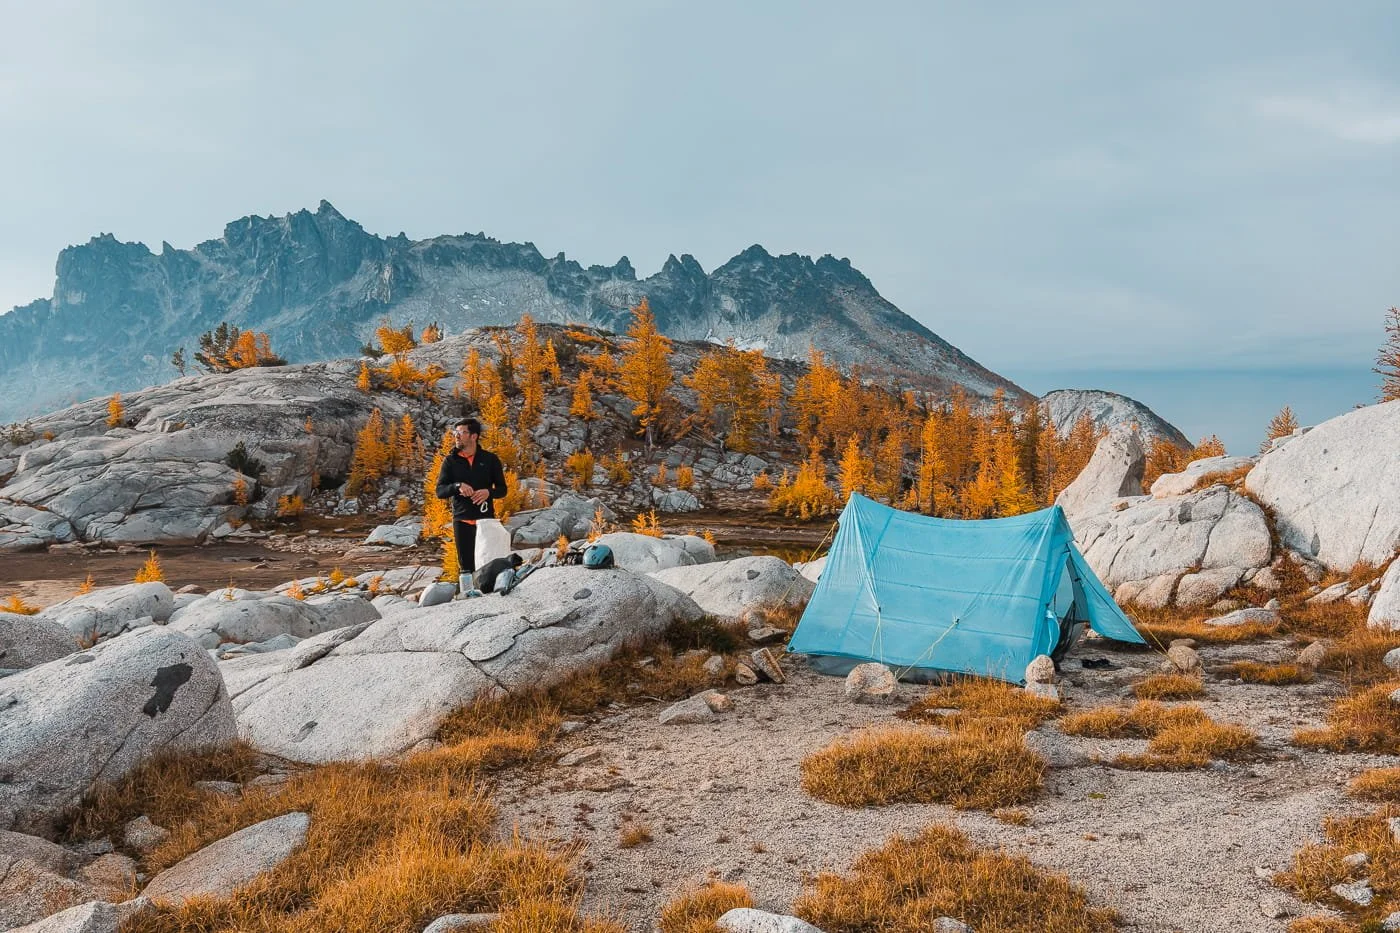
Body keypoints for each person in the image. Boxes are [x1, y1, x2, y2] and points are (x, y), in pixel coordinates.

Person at [434, 418, 508, 594]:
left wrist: (488, 492)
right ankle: (467, 599)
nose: (456, 436)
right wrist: (457, 486)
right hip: (462, 521)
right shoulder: (450, 461)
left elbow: (502, 489)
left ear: (474, 436)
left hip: (485, 522)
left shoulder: (490, 459)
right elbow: (440, 491)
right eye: (455, 433)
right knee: (466, 567)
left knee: (487, 564)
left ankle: (489, 598)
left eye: (461, 433)